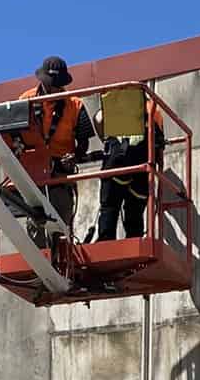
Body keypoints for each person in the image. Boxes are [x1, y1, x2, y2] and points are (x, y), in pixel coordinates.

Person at [10, 56, 95, 233]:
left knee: (61, 221)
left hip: (60, 174)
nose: (55, 88)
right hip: (33, 172)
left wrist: (75, 157)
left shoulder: (75, 105)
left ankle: (59, 248)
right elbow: (13, 135)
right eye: (52, 83)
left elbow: (84, 141)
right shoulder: (25, 101)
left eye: (58, 84)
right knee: (35, 222)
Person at [90, 84, 164, 242]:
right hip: (141, 167)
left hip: (115, 164)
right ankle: (134, 241)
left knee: (110, 207)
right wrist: (158, 171)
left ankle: (106, 241)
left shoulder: (114, 106)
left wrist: (105, 140)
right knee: (135, 212)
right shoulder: (153, 108)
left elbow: (98, 118)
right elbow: (159, 146)